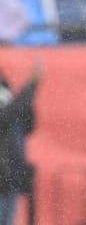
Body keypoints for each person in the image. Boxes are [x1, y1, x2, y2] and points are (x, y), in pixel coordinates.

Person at [0, 61, 41, 224]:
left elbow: (28, 124)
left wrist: (29, 100)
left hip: (11, 176)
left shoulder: (7, 90)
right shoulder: (12, 100)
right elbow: (5, 117)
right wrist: (30, 86)